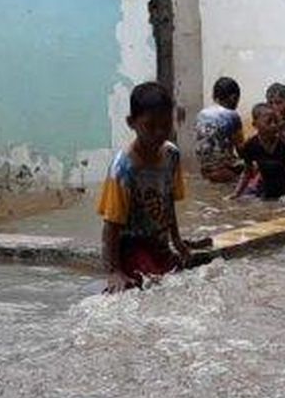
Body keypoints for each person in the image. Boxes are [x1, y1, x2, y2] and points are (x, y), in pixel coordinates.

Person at [98, 82, 194, 292]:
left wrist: (177, 240)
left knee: (184, 277)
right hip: (131, 246)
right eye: (150, 126)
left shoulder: (171, 155)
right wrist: (113, 271)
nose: (159, 133)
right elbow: (111, 225)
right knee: (155, 284)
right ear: (131, 123)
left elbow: (168, 202)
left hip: (158, 241)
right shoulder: (123, 168)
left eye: (166, 125)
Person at [232, 103, 285, 200]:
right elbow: (247, 172)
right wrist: (235, 195)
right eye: (269, 122)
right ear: (255, 124)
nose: (273, 125)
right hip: (266, 191)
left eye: (275, 121)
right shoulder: (251, 145)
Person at [194, 76, 244, 183]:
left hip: (204, 167)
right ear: (233, 97)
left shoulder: (202, 114)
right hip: (223, 167)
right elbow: (241, 148)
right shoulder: (232, 115)